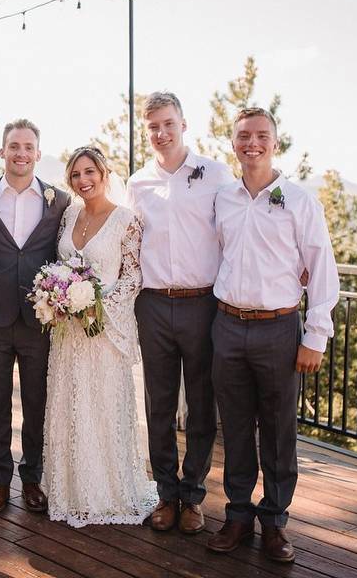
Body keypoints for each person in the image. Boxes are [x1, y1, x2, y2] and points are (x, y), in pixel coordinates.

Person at [206, 107, 339, 563]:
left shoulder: (299, 200)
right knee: (237, 430)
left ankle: (276, 522)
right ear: (234, 143)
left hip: (279, 329)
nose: (252, 143)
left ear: (275, 143)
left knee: (280, 433)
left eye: (261, 135)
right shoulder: (223, 198)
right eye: (244, 136)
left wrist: (315, 336)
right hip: (226, 325)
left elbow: (321, 267)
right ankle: (238, 516)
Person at [125, 91, 235, 534]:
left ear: (184, 124)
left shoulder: (215, 174)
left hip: (203, 303)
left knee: (203, 407)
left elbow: (237, 231)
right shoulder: (137, 183)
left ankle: (193, 495)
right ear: (146, 130)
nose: (161, 133)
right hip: (152, 304)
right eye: (153, 126)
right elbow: (128, 243)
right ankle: (166, 494)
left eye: (168, 124)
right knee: (159, 405)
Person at [42, 146, 157, 527]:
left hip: (105, 333)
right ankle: (71, 488)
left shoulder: (126, 220)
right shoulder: (70, 214)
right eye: (76, 175)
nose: (83, 180)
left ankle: (107, 489)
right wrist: (59, 296)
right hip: (68, 334)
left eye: (90, 172)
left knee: (102, 409)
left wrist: (97, 305)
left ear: (104, 174)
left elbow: (132, 276)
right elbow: (61, 266)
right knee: (71, 406)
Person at [0, 118, 71, 514]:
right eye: (14, 146)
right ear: (2, 151)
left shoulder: (58, 201)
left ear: (38, 154)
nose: (21, 153)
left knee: (36, 401)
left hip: (38, 320)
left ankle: (32, 479)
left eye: (28, 147)